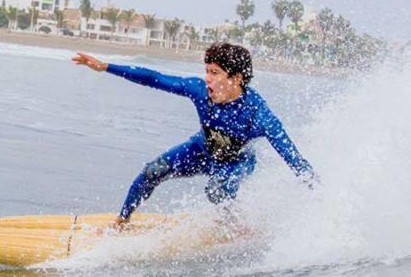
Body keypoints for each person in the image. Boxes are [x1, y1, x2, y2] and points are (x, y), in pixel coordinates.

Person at [72, 43, 315, 228]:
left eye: (215, 73)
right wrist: (105, 67)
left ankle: (233, 225)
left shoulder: (259, 116)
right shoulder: (199, 90)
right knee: (153, 171)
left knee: (216, 190)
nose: (207, 79)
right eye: (207, 71)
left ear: (236, 79)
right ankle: (122, 222)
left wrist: (324, 199)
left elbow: (293, 158)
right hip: (201, 150)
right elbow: (154, 78)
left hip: (236, 163)